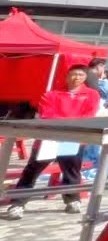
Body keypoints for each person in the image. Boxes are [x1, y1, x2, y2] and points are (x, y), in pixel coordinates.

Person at [2, 65, 101, 220]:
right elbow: (47, 115)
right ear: (66, 76)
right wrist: (69, 122)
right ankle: (18, 203)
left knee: (71, 170)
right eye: (73, 74)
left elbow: (88, 115)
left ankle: (73, 200)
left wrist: (69, 125)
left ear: (85, 77)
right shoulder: (52, 94)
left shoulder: (91, 94)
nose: (76, 78)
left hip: (72, 138)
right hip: (49, 137)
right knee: (32, 170)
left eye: (80, 75)